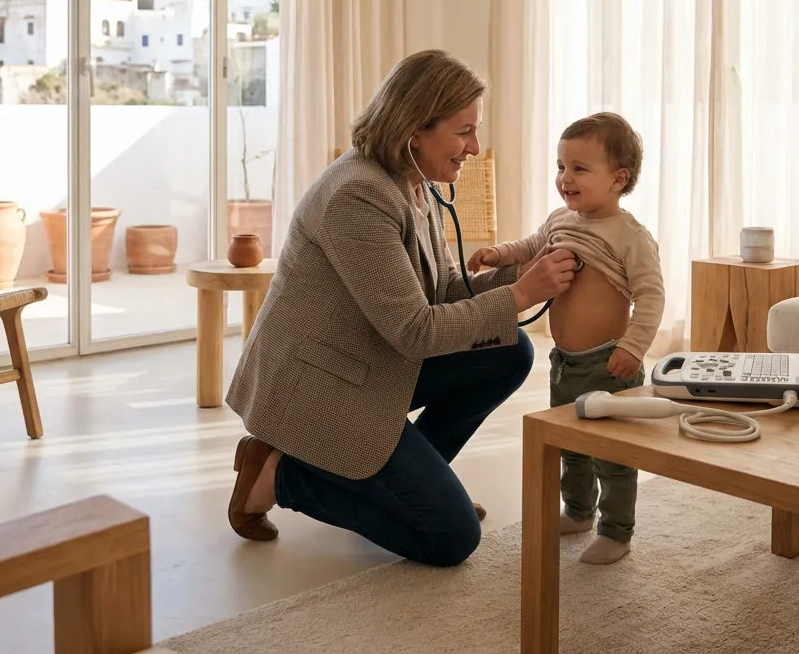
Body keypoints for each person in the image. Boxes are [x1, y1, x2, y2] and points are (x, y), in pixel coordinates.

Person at [224, 49, 578, 567]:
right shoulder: (357, 196)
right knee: (450, 539)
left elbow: (442, 293)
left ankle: (400, 490)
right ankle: (280, 474)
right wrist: (522, 295)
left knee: (509, 349)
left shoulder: (412, 181)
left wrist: (519, 277)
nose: (475, 148)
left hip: (368, 361)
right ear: (416, 128)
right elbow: (416, 330)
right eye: (464, 132)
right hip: (319, 387)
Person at [468, 112, 665, 565]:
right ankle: (578, 510)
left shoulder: (630, 237)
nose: (565, 178)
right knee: (570, 447)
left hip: (609, 364)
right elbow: (531, 246)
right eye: (560, 166)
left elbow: (651, 297)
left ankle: (617, 531)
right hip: (565, 364)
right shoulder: (562, 218)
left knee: (613, 455)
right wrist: (499, 253)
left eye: (579, 168)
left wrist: (632, 348)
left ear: (619, 179)